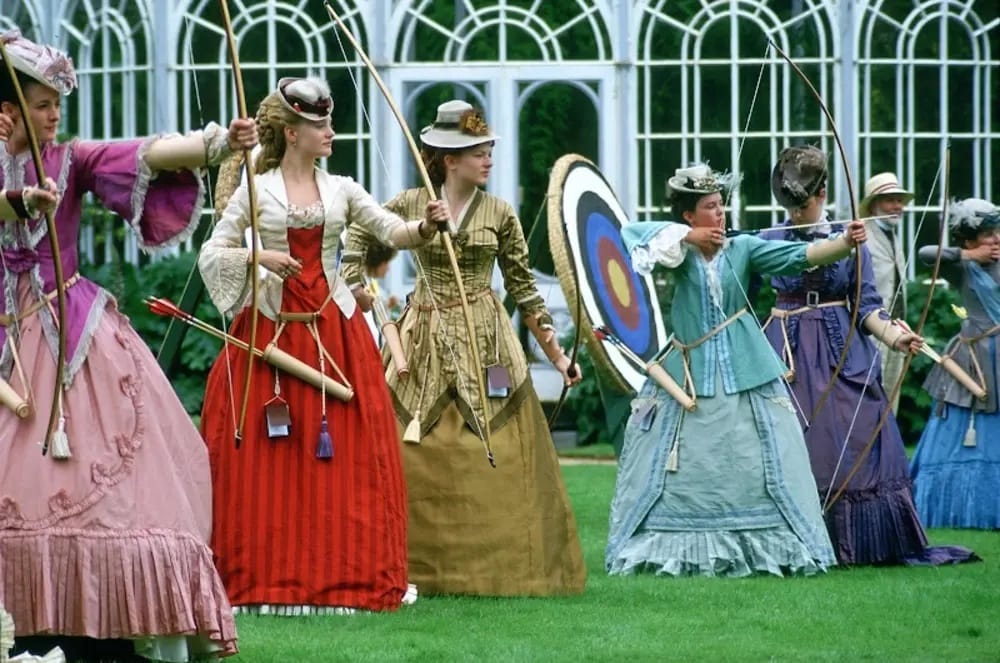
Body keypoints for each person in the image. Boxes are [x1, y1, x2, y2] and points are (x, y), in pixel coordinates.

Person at [0, 29, 255, 661]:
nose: (54, 114)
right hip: (10, 340)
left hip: (70, 339)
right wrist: (15, 199)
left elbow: (146, 153)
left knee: (106, 485)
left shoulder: (71, 160)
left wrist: (219, 142)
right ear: (7, 110)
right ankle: (26, 627)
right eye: (40, 103)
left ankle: (100, 628)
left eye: (58, 102)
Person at [198, 77, 447, 614]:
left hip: (334, 331)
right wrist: (258, 258)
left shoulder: (342, 189)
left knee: (343, 460)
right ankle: (263, 576)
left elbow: (392, 231)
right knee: (267, 461)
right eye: (318, 125)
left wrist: (425, 227)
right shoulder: (254, 189)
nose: (330, 132)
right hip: (269, 332)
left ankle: (344, 572)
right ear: (292, 134)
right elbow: (213, 251)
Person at [344, 99, 586, 596]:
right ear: (449, 160)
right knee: (407, 448)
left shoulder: (499, 213)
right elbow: (352, 246)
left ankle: (510, 572)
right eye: (477, 151)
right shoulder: (410, 204)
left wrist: (558, 356)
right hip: (422, 336)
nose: (488, 159)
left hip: (487, 341)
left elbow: (524, 289)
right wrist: (368, 300)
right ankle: (410, 570)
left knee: (495, 451)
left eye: (489, 149)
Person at [606, 163, 848, 578]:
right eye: (710, 208)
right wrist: (688, 237)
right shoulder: (678, 250)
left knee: (754, 454)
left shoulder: (744, 248)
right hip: (689, 371)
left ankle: (766, 543)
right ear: (689, 215)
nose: (720, 214)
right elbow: (631, 236)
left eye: (721, 206)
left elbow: (799, 255)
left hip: (744, 366)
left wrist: (846, 243)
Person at [761, 145, 976, 565]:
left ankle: (854, 542)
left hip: (840, 347)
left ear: (822, 195)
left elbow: (868, 307)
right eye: (792, 204)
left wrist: (895, 337)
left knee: (857, 431)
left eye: (805, 201)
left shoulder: (851, 239)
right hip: (785, 349)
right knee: (792, 438)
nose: (799, 211)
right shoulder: (770, 238)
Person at [910, 198, 1000, 529]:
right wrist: (969, 256)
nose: (996, 239)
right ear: (969, 239)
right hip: (974, 358)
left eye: (997, 231)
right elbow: (924, 255)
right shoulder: (963, 265)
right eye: (988, 234)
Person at [859, 172, 915, 411]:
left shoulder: (891, 234)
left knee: (891, 399)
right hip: (869, 332)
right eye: (890, 200)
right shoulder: (861, 235)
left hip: (896, 329)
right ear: (873, 206)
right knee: (870, 398)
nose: (897, 206)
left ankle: (887, 446)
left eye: (899, 200)